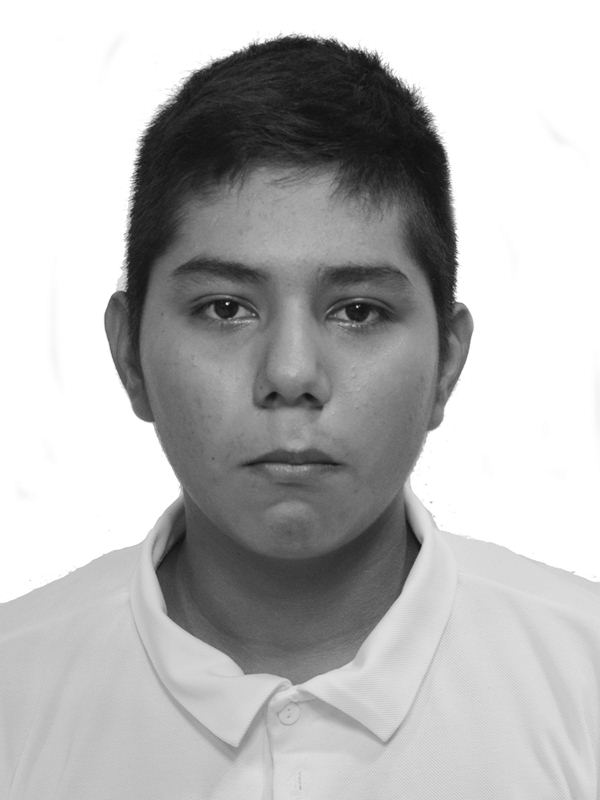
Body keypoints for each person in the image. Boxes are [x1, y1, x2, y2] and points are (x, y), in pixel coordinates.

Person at [1, 34, 599, 800]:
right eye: (225, 308)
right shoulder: (15, 690)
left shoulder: (584, 682)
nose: (290, 374)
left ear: (447, 361)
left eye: (358, 311)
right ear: (129, 355)